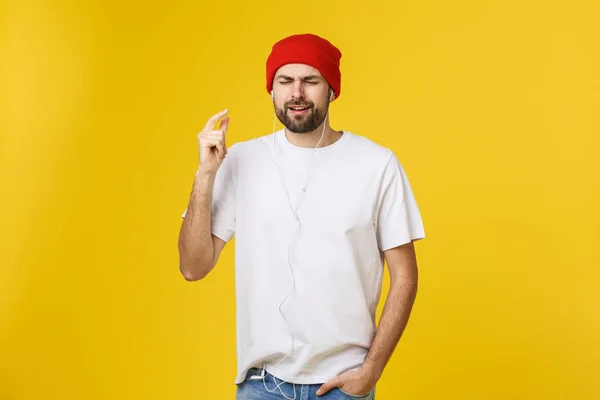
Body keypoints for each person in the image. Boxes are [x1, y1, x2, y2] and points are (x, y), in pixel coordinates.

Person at [178, 33, 426, 400]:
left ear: (331, 89)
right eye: (285, 81)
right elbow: (192, 267)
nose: (297, 92)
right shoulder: (241, 161)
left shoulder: (377, 165)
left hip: (344, 386)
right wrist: (204, 176)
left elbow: (405, 275)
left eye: (310, 81)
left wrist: (370, 371)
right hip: (262, 385)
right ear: (272, 91)